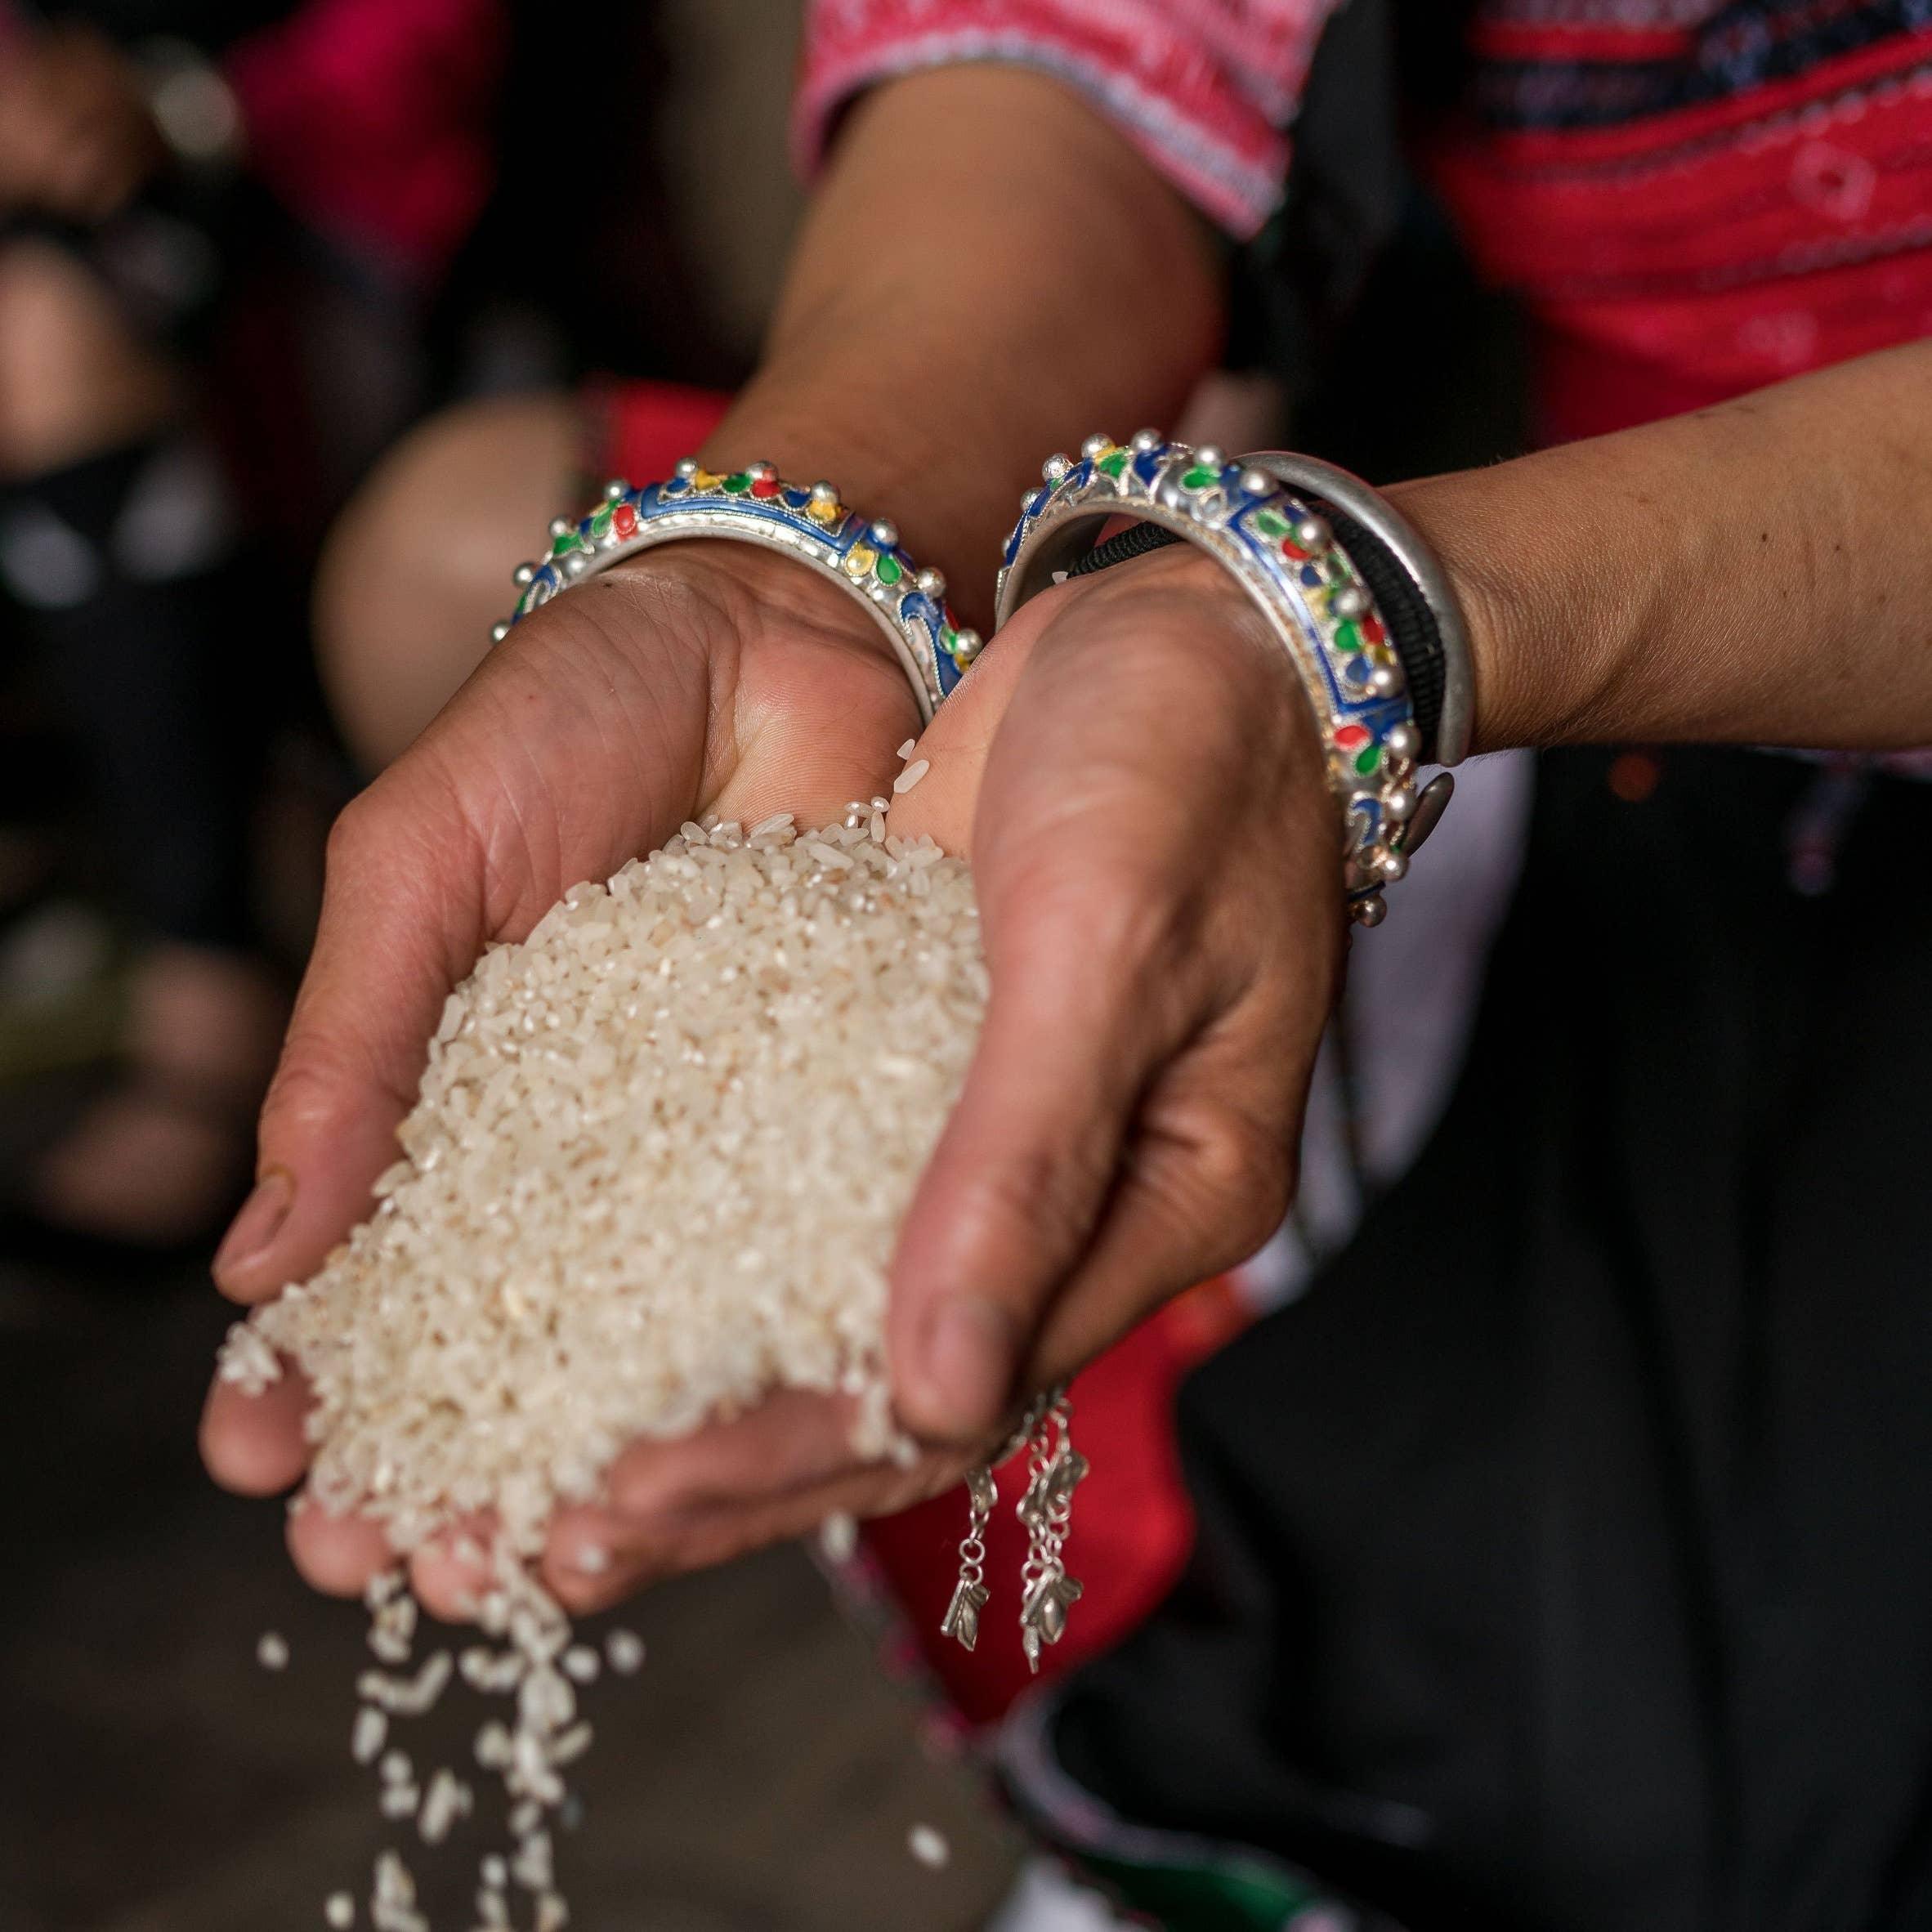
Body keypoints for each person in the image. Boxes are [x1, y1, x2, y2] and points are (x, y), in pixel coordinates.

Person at [205, 4, 1932, 1925]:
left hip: (1647, 594)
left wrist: (1361, 619)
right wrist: (779, 561)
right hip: (1557, 642)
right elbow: (1092, 61)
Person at [0, 0, 503, 1248]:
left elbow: (421, 45)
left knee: (39, 333)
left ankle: (207, 970)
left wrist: (170, 107)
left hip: (285, 195)